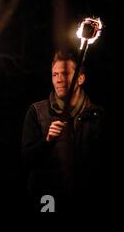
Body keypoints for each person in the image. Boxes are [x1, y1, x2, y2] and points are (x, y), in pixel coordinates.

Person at [21, 51, 106, 212]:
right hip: (48, 199)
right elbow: (26, 159)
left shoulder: (97, 115)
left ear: (80, 78)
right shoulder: (37, 112)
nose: (59, 80)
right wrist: (47, 141)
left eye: (65, 74)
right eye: (54, 75)